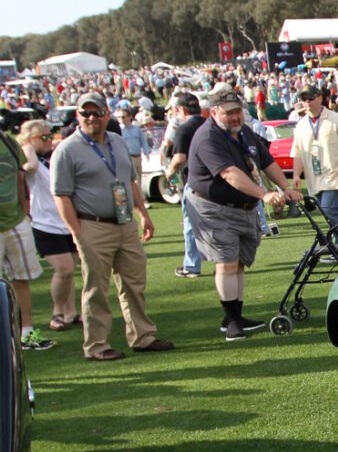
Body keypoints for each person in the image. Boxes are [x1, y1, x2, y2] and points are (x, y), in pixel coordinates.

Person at [48, 91, 172, 361]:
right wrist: (76, 231)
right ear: (78, 116)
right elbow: (61, 195)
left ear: (106, 113)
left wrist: (143, 213)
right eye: (85, 113)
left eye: (96, 112)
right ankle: (96, 345)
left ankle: (142, 336)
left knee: (134, 282)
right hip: (92, 225)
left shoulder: (116, 141)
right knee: (96, 287)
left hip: (125, 223)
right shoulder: (66, 150)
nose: (91, 117)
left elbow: (129, 182)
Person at [186, 90, 301, 342]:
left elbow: (266, 161)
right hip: (214, 207)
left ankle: (235, 316)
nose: (235, 116)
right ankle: (231, 322)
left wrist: (286, 187)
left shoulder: (243, 131)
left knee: (238, 262)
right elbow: (229, 174)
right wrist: (264, 194)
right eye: (229, 113)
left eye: (237, 111)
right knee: (226, 261)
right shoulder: (208, 137)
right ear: (214, 112)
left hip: (241, 207)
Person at [18, 121, 78, 332]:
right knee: (64, 269)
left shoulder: (52, 157)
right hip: (44, 223)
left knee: (71, 268)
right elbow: (30, 168)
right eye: (43, 137)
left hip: (64, 220)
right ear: (28, 140)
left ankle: (71, 311)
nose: (49, 140)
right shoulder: (28, 157)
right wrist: (27, 147)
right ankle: (57, 312)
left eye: (50, 135)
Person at [0, 128, 53, 350]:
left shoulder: (7, 141)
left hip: (15, 221)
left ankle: (27, 333)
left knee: (21, 279)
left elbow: (21, 175)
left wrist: (25, 211)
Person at [290, 85, 338, 252]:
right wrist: (296, 175)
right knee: (327, 213)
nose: (307, 102)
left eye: (310, 98)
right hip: (315, 178)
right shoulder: (300, 125)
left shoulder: (336, 119)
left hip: (335, 175)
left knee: (329, 209)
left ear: (320, 97)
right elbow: (298, 153)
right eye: (304, 99)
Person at [164, 92, 207, 278]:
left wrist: (169, 172)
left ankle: (192, 266)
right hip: (215, 180)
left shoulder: (183, 129)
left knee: (190, 224)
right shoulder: (209, 125)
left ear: (181, 109)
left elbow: (180, 158)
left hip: (194, 182)